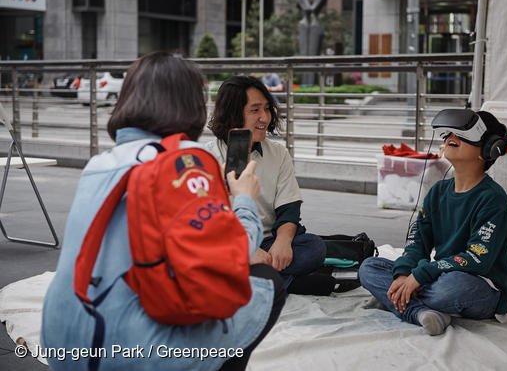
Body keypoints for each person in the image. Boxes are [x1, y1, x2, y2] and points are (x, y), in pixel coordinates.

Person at [41, 52, 286, 370]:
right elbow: (235, 251)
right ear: (191, 103)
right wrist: (244, 198)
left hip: (60, 338)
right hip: (129, 351)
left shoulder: (100, 163)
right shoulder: (188, 159)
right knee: (267, 282)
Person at [359, 110, 507, 336]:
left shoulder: (492, 199)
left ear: (488, 149)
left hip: (480, 286)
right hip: (440, 275)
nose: (452, 136)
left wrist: (420, 276)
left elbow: (477, 258)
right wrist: (404, 274)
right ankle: (420, 312)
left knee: (452, 288)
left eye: (463, 135)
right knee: (368, 268)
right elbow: (417, 243)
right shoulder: (437, 192)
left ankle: (395, 298)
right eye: (450, 133)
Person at [206, 75, 326, 293]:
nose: (265, 117)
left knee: (314, 248)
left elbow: (289, 208)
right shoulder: (207, 157)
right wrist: (245, 250)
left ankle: (254, 280)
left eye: (267, 109)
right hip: (228, 246)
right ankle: (283, 282)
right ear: (233, 113)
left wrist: (283, 240)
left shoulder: (278, 153)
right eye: (255, 110)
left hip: (269, 243)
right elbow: (206, 224)